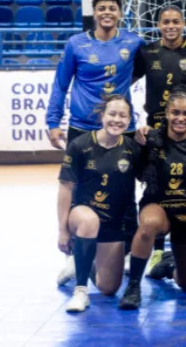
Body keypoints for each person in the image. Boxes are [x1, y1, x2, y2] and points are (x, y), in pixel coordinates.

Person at [49, 0, 145, 286]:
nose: (107, 12)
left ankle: (125, 252)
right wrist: (53, 121)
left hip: (120, 128)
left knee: (125, 190)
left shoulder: (133, 42)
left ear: (119, 13)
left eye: (112, 8)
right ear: (94, 12)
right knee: (78, 193)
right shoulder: (76, 44)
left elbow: (155, 66)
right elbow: (61, 83)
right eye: (102, 8)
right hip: (81, 127)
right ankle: (72, 256)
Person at [134, 5, 186, 277]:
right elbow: (128, 78)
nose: (170, 26)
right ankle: (156, 252)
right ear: (158, 24)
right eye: (165, 21)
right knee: (156, 188)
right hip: (156, 133)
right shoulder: (148, 52)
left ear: (184, 23)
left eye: (176, 21)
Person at [118, 88, 186, 310]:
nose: (180, 118)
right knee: (148, 224)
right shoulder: (150, 139)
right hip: (159, 207)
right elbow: (136, 172)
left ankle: (168, 266)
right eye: (175, 112)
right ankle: (134, 286)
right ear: (166, 113)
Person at [57, 95, 144, 313]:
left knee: (108, 288)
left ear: (130, 119)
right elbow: (65, 187)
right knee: (89, 221)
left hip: (113, 223)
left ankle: (82, 263)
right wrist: (63, 231)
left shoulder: (133, 148)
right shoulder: (80, 145)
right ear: (102, 116)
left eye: (123, 116)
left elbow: (148, 178)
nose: (117, 120)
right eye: (112, 114)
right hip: (82, 214)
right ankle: (80, 292)